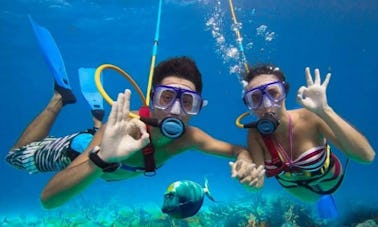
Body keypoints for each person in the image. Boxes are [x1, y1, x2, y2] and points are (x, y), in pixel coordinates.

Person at [39, 56, 253, 209]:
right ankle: (59, 99)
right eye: (166, 97)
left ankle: (96, 117)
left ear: (197, 108)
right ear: (152, 98)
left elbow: (237, 150)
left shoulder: (189, 137)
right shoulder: (125, 128)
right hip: (72, 150)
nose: (176, 110)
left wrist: (244, 159)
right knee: (16, 156)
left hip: (108, 169)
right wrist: (102, 158)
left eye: (188, 102)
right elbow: (48, 200)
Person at [235, 64, 375, 202]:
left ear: (285, 91)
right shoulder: (255, 135)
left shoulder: (310, 117)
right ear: (249, 105)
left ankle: (327, 199)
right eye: (255, 98)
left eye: (273, 93)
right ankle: (322, 202)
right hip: (297, 190)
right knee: (316, 203)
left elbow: (367, 156)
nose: (266, 104)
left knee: (327, 201)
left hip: (330, 179)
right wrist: (249, 181)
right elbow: (258, 184)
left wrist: (325, 110)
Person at [5, 72, 105, 174]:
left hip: (87, 143)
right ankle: (60, 98)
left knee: (38, 144)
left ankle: (97, 122)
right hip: (77, 148)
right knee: (15, 156)